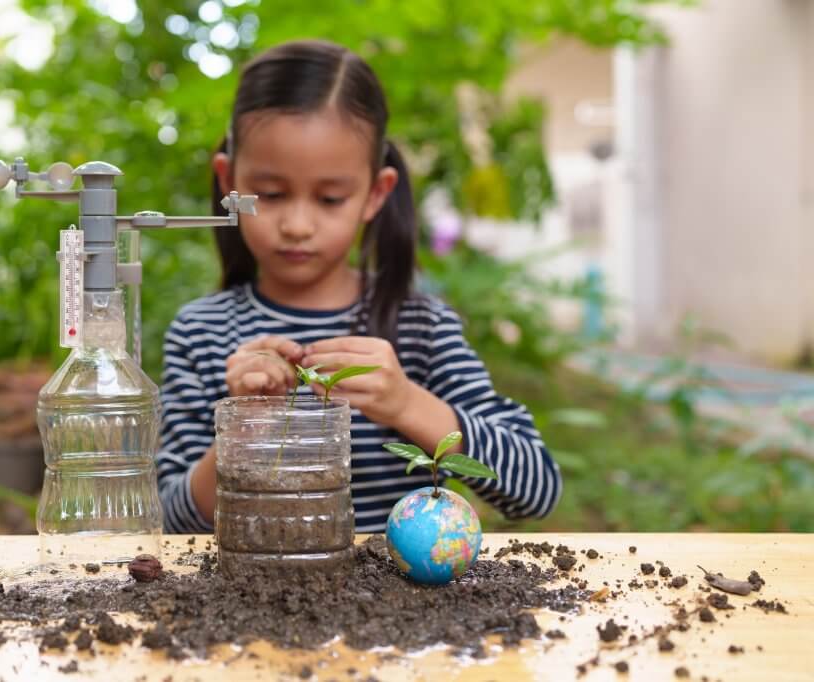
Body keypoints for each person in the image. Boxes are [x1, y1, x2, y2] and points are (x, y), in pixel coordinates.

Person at [157, 40, 561, 533]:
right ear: (228, 183)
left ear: (375, 193)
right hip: (254, 580)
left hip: (393, 584)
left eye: (330, 198)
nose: (297, 225)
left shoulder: (419, 327)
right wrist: (243, 427)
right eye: (271, 194)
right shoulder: (201, 333)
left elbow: (536, 489)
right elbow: (170, 522)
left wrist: (407, 403)